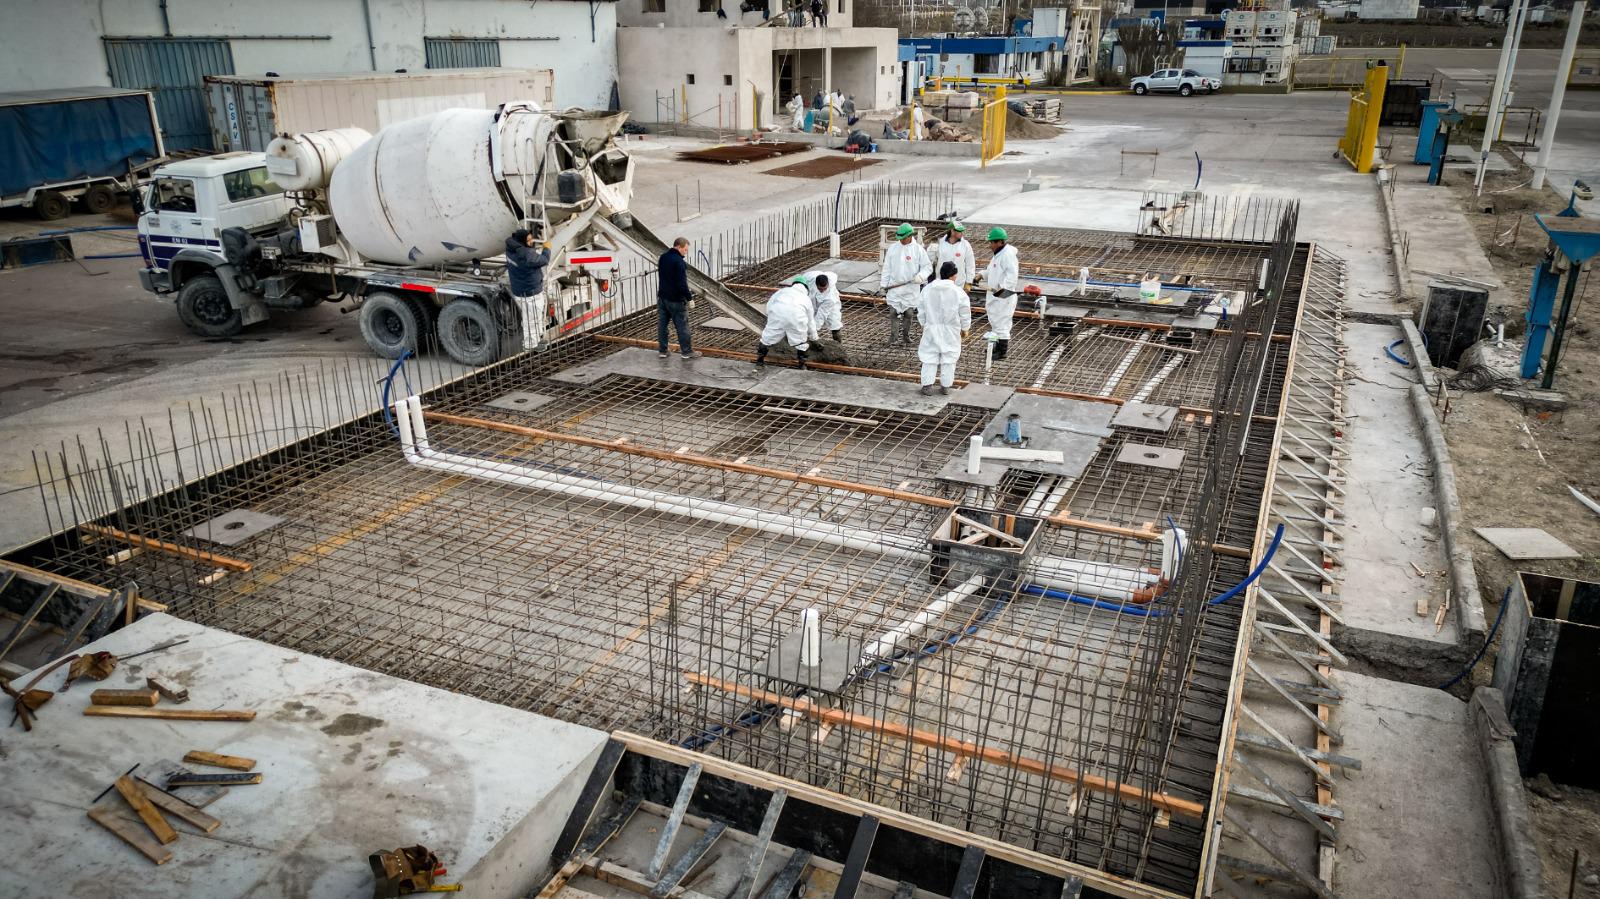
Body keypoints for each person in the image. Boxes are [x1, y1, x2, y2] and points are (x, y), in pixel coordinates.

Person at [916, 261, 972, 396]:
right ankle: (945, 386)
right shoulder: (958, 292)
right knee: (949, 357)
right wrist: (965, 328)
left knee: (929, 356)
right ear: (954, 275)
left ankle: (927, 386)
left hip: (931, 327)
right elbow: (965, 312)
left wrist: (924, 323)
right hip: (951, 330)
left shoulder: (928, 288)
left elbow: (921, 308)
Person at [879, 222, 931, 347]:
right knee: (894, 313)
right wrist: (883, 285)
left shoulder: (918, 249)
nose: (901, 240)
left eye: (903, 238)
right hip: (894, 288)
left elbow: (927, 267)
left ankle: (906, 336)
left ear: (909, 236)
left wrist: (920, 276)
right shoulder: (893, 248)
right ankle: (893, 338)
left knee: (908, 314)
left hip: (910, 288)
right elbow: (887, 268)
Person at [755, 276, 817, 369]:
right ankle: (802, 365)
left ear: (793, 284)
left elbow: (768, 307)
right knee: (801, 342)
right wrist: (814, 338)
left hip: (777, 314)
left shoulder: (781, 291)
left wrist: (772, 319)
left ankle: (759, 362)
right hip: (796, 318)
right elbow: (810, 321)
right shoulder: (805, 298)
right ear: (806, 287)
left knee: (766, 339)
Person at [978, 226, 1019, 361]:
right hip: (996, 296)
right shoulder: (998, 255)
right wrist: (980, 275)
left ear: (1000, 242)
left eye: (992, 242)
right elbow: (991, 271)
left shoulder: (1007, 255)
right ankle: (996, 347)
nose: (990, 245)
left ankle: (1002, 352)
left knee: (1002, 323)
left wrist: (1002, 291)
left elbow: (1012, 277)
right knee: (996, 323)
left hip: (1004, 296)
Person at [656, 237, 701, 359]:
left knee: (662, 325)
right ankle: (686, 352)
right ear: (679, 247)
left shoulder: (663, 257)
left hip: (662, 298)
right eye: (685, 250)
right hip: (676, 300)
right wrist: (689, 298)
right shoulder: (679, 262)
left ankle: (663, 351)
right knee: (682, 326)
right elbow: (682, 284)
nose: (685, 253)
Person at [506, 228, 550, 350]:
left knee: (530, 318)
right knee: (532, 319)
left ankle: (535, 340)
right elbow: (544, 260)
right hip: (530, 292)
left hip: (521, 290)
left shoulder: (511, 248)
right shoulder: (526, 255)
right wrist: (547, 248)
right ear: (522, 241)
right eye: (529, 240)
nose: (531, 242)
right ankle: (530, 345)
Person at [928, 220, 975, 292]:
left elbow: (970, 264)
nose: (962, 233)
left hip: (958, 284)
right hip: (941, 284)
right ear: (952, 231)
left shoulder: (965, 245)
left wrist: (969, 282)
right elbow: (930, 261)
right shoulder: (940, 243)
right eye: (960, 231)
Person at [798, 269, 842, 341]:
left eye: (824, 289)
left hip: (829, 306)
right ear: (816, 284)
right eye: (820, 289)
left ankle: (838, 343)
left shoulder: (830, 298)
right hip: (811, 299)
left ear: (828, 284)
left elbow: (821, 315)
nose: (822, 291)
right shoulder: (809, 278)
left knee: (834, 322)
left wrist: (813, 331)